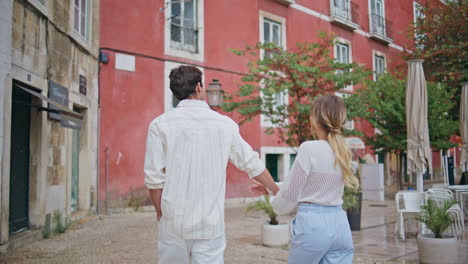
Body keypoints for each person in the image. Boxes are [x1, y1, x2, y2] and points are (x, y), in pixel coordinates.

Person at [144, 65, 279, 264]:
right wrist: (277, 190)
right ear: (199, 88)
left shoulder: (159, 125)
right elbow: (252, 164)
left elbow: (154, 179)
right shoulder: (225, 125)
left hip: (173, 222)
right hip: (209, 224)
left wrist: (160, 214)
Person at [269, 95, 359, 264]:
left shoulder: (309, 148)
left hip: (313, 226)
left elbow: (291, 194)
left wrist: (274, 201)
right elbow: (315, 185)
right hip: (340, 225)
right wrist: (273, 187)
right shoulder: (344, 151)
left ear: (316, 120)